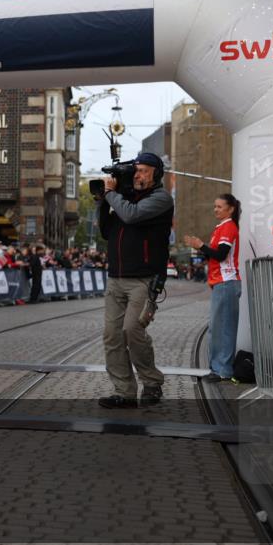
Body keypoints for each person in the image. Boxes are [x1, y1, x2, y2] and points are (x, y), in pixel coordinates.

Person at [97, 152, 174, 408]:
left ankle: (151, 382)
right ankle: (124, 391)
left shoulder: (160, 199)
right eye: (136, 170)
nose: (138, 175)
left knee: (132, 330)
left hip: (144, 278)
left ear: (156, 173)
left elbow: (132, 215)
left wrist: (111, 194)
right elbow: (107, 231)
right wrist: (103, 200)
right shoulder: (124, 198)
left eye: (143, 170)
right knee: (112, 336)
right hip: (116, 277)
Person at [184, 194, 242, 383]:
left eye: (219, 206)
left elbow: (221, 254)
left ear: (230, 209)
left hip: (227, 282)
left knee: (223, 328)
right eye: (214, 206)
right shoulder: (221, 227)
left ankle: (222, 370)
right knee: (217, 328)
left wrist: (201, 246)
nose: (215, 209)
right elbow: (214, 256)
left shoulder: (228, 226)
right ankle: (217, 368)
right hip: (221, 283)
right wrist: (201, 248)